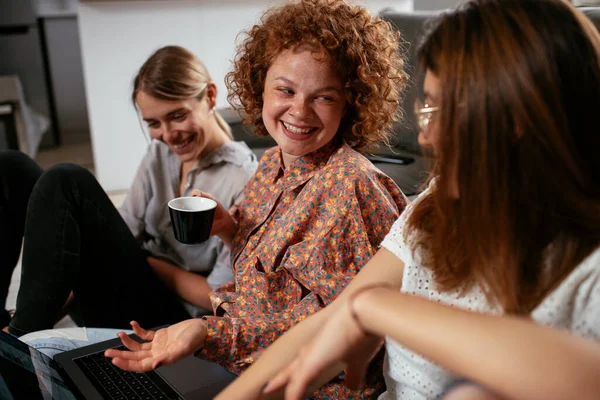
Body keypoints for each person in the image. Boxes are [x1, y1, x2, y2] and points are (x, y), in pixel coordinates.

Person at [213, 0, 600, 399]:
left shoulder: (588, 265)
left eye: (443, 110)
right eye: (425, 106)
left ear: (521, 117)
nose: (425, 137)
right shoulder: (434, 205)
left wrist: (373, 308)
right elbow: (335, 319)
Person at [103, 0, 408, 398]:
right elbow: (268, 288)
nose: (299, 110)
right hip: (238, 360)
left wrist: (208, 331)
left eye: (325, 97)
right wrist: (232, 232)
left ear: (351, 102)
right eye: (286, 89)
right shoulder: (270, 166)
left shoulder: (353, 187)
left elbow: (332, 331)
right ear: (259, 85)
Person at [1, 45, 257, 336]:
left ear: (210, 96)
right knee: (11, 168)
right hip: (123, 287)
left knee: (67, 181)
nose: (168, 135)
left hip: (171, 319)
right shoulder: (160, 154)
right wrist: (51, 303)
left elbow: (217, 297)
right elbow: (124, 231)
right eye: (153, 123)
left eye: (177, 115)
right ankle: (15, 326)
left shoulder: (243, 180)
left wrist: (146, 262)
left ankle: (18, 342)